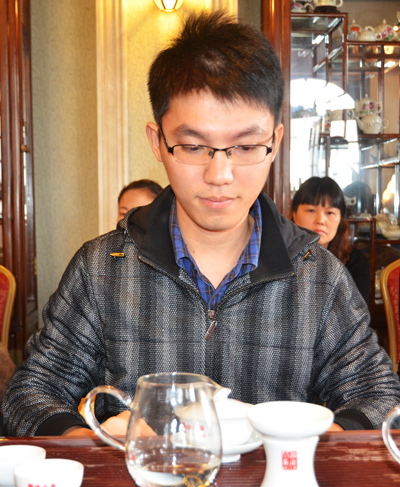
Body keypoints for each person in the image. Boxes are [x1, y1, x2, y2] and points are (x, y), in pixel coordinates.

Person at [2, 11, 400, 438]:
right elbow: (30, 393)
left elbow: (378, 394)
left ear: (275, 142)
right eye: (193, 146)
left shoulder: (317, 276)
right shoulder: (102, 268)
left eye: (246, 146)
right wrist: (93, 444)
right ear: (158, 142)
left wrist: (320, 442)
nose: (220, 175)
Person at [290, 177, 371, 304]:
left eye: (329, 213)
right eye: (311, 210)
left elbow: (356, 313)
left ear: (341, 219)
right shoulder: (279, 259)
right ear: (294, 214)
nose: (320, 220)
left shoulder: (355, 262)